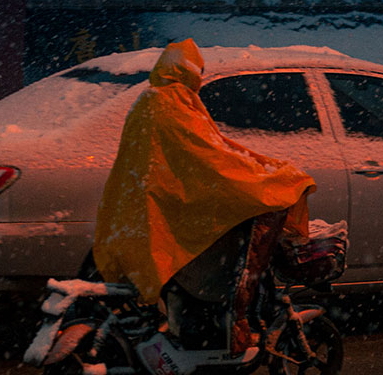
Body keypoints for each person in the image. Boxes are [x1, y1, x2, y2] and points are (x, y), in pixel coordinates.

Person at [92, 39, 314, 355]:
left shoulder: (148, 100)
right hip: (164, 208)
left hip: (143, 210)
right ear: (191, 72)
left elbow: (201, 154)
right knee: (224, 251)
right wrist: (261, 176)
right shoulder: (175, 103)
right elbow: (210, 157)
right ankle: (226, 326)